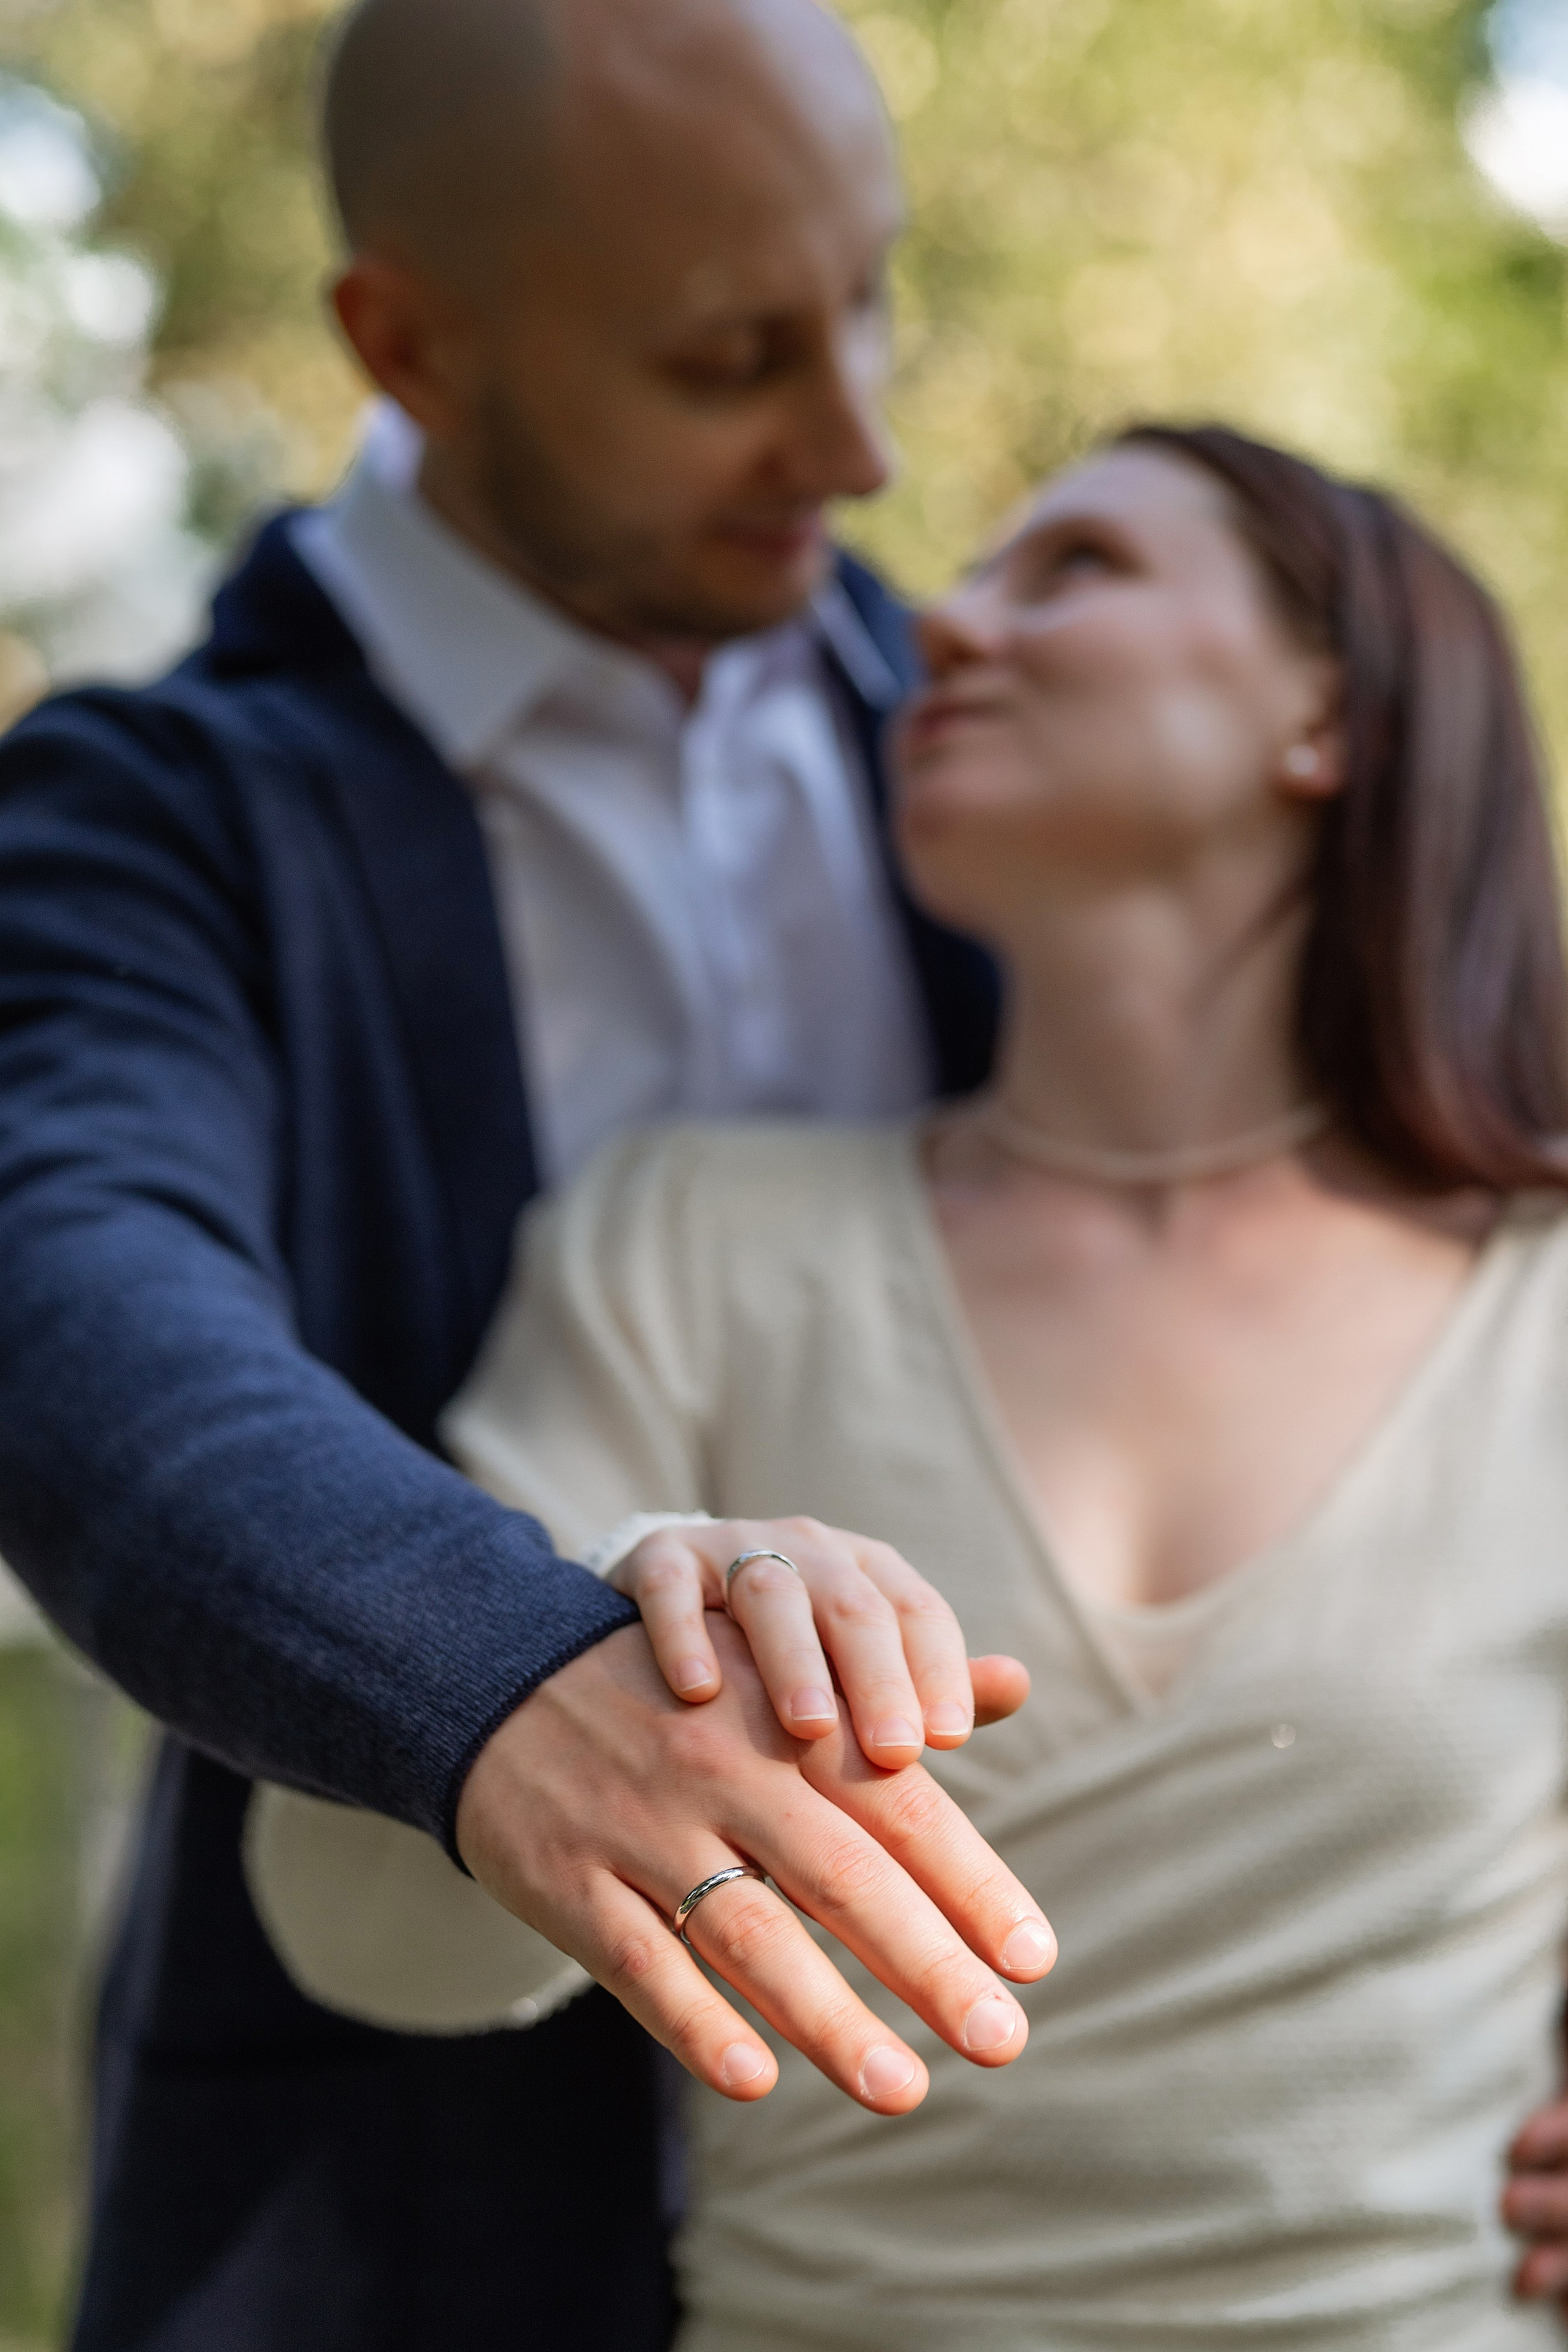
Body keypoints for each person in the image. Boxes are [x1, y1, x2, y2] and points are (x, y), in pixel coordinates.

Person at [0, 2, 1054, 2345]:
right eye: (728, 359)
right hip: (390, 2206)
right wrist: (493, 1677)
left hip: (1024, 2197)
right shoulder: (155, 815)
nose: (864, 439)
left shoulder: (996, 747)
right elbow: (69, 1276)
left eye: (871, 296)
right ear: (411, 345)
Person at [402, 421, 1568, 2349]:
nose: (945, 625)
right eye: (979, 573)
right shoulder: (694, 1237)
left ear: (1330, 716)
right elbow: (369, 1935)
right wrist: (605, 1616)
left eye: (1078, 568)